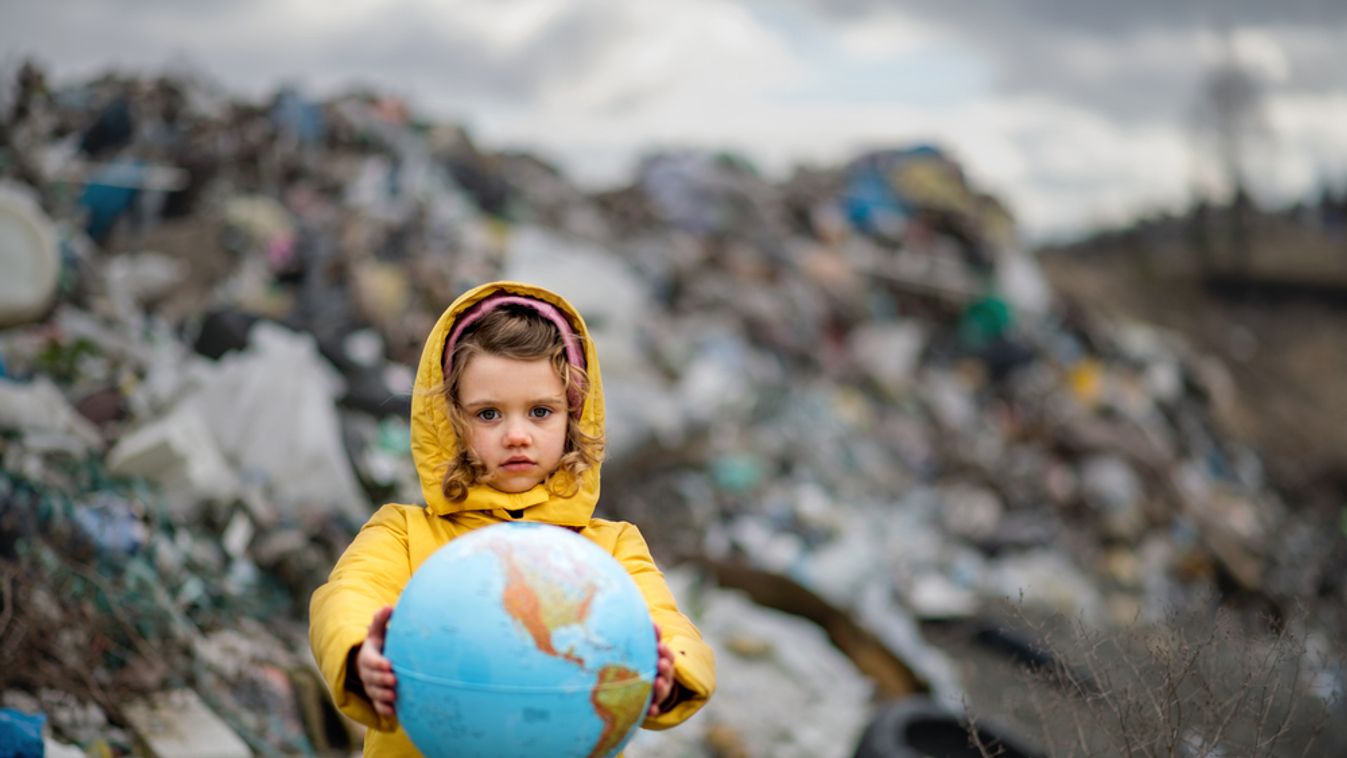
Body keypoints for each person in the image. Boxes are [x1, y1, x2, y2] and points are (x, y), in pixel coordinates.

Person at [309, 281, 716, 756]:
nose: (517, 435)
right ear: (450, 420)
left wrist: (669, 672)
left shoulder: (611, 549)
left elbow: (665, 622)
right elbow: (347, 595)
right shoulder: (402, 533)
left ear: (575, 415)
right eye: (488, 415)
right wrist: (361, 653)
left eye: (540, 411)